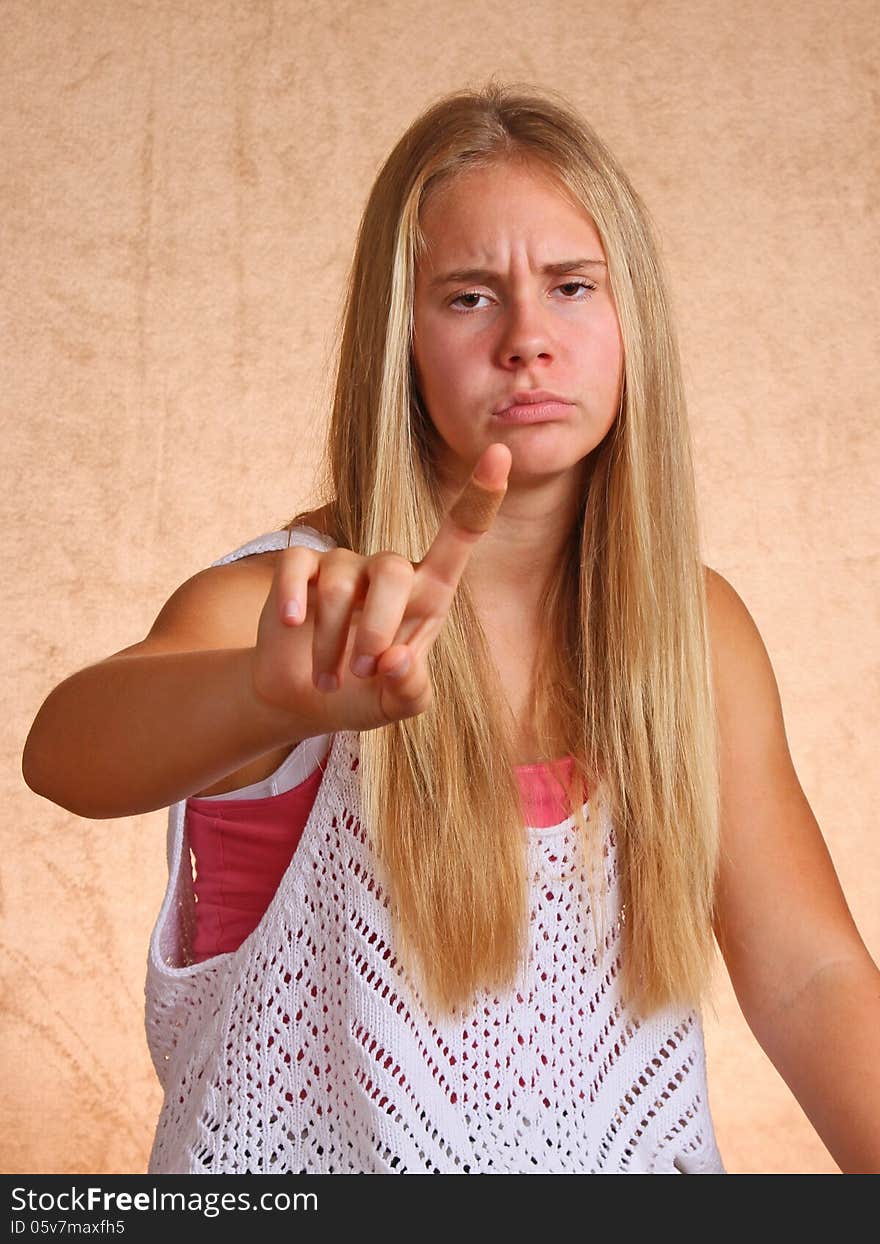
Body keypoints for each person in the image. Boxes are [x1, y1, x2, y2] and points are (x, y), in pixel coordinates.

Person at [22, 81, 880, 1176]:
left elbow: (808, 975)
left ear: (632, 323)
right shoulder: (293, 606)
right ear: (401, 339)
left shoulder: (696, 633)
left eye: (571, 286)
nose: (528, 337)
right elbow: (64, 752)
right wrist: (267, 696)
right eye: (470, 297)